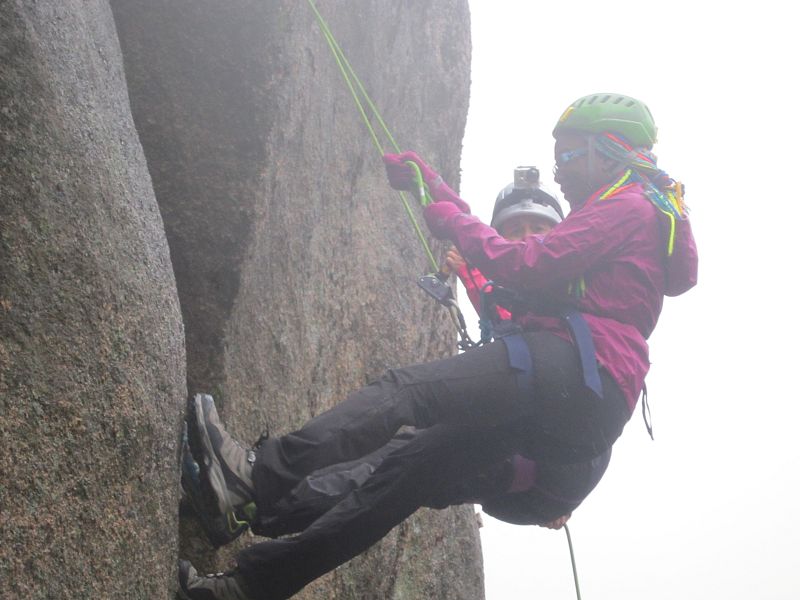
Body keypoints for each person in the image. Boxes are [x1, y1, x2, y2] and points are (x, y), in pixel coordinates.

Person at [177, 92, 698, 600]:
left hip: (568, 365)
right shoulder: (642, 216)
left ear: (606, 149)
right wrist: (436, 190)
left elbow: (525, 263)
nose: (557, 168)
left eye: (567, 154)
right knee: (402, 479)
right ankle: (251, 586)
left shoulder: (627, 205)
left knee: (406, 391)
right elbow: (520, 274)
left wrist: (450, 217)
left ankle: (252, 477)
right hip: (585, 411)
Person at [180, 178, 608, 549]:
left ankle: (249, 499)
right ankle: (255, 508)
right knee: (392, 466)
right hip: (537, 470)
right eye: (513, 230)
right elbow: (507, 307)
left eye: (538, 229)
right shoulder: (528, 288)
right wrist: (472, 268)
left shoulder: (565, 287)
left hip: (542, 469)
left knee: (389, 461)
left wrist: (565, 494)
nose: (525, 238)